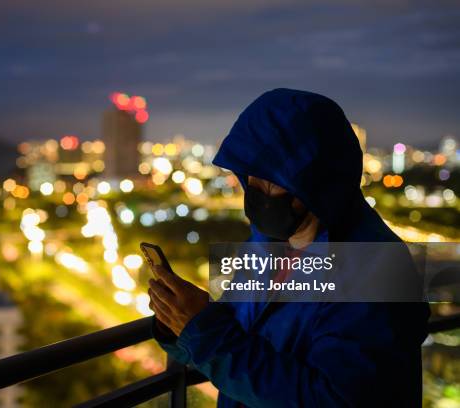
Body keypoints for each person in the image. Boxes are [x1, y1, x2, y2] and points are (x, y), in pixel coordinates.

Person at [147, 88, 431, 407]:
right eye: (250, 174)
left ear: (318, 182)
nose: (255, 189)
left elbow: (330, 400)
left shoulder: (377, 269)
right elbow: (233, 343)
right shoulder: (264, 247)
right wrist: (180, 324)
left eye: (271, 178)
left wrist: (204, 333)